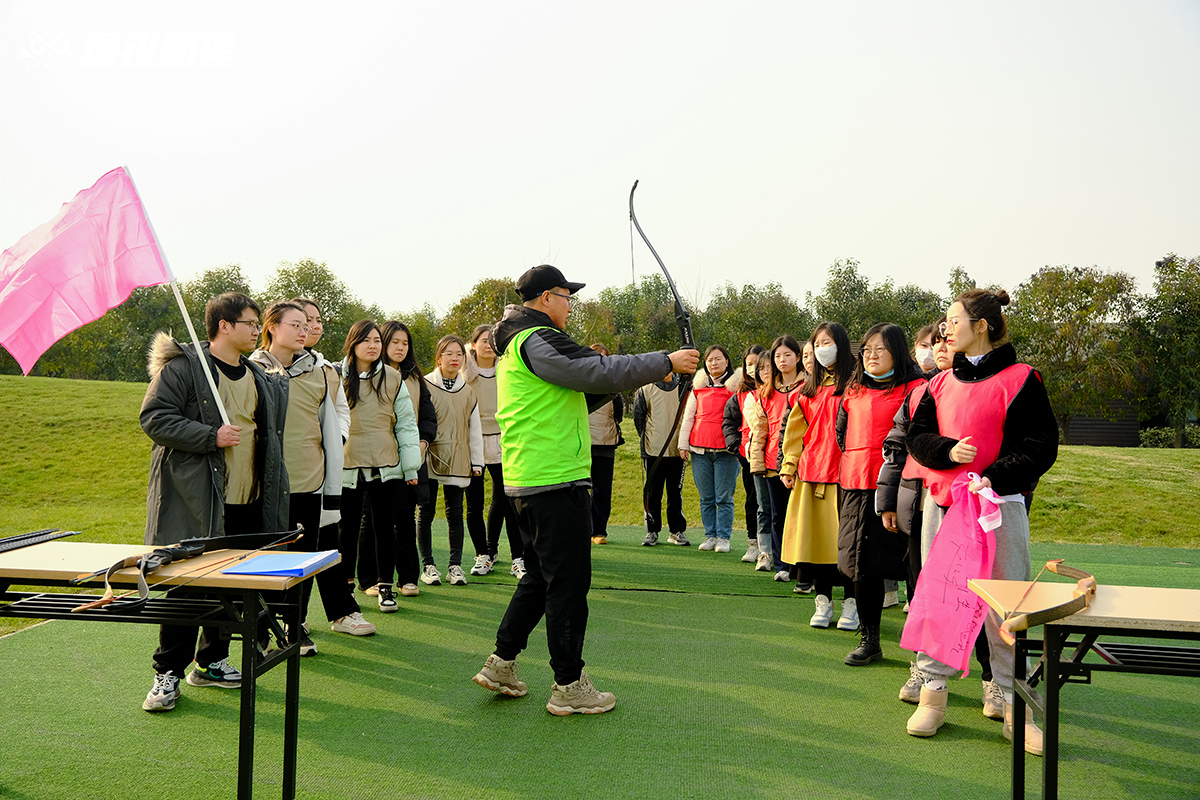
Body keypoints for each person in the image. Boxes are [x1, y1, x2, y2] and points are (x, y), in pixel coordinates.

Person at [471, 264, 698, 716]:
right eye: (566, 296)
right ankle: (569, 687)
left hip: (531, 478)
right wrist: (663, 361)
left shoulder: (518, 341)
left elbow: (576, 388)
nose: (570, 305)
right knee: (568, 586)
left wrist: (652, 373)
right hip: (553, 480)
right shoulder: (535, 337)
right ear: (545, 298)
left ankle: (501, 664)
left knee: (540, 578)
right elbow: (593, 369)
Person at [903, 289, 1058, 753]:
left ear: (983, 325)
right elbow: (917, 437)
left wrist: (991, 477)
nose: (946, 328)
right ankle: (933, 693)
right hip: (946, 506)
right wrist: (947, 452)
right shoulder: (937, 384)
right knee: (941, 596)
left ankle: (1015, 703)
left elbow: (1039, 445)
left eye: (954, 320)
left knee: (1008, 604)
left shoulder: (1022, 379)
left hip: (1000, 507)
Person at [140, 292, 289, 712]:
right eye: (249, 322)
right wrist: (210, 436)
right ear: (224, 325)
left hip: (248, 500)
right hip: (198, 500)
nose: (256, 329)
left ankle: (212, 662)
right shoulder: (185, 367)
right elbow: (153, 417)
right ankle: (166, 674)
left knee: (229, 588)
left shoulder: (259, 375)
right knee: (186, 590)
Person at [249, 301, 368, 656]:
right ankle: (259, 632)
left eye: (310, 325)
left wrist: (338, 441)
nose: (306, 331)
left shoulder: (322, 372)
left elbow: (335, 416)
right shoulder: (251, 369)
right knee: (263, 563)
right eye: (297, 324)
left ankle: (293, 627)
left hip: (309, 481)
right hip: (263, 486)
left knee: (301, 562)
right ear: (271, 326)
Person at [834, 323, 925, 666]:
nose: (871, 356)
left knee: (911, 566)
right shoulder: (852, 391)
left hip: (903, 490)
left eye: (880, 350)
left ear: (897, 352)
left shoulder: (917, 388)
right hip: (856, 486)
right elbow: (841, 435)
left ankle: (921, 651)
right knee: (859, 564)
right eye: (867, 350)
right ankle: (870, 638)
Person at [289, 298, 375, 636]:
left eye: (317, 320)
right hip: (285, 478)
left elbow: (341, 411)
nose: (312, 326)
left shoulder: (327, 369)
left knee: (326, 542)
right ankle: (291, 618)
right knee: (297, 546)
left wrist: (334, 439)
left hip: (321, 470)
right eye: (304, 320)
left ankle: (341, 612)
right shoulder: (265, 366)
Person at [338, 320, 422, 614]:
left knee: (384, 527)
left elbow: (407, 425)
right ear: (353, 344)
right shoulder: (336, 375)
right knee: (345, 529)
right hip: (346, 464)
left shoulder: (393, 378)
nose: (373, 346)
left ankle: (385, 586)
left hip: (385, 464)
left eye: (376, 340)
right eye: (366, 340)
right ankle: (345, 588)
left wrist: (411, 468)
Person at [778, 323, 856, 628]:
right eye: (818, 343)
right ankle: (823, 601)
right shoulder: (807, 392)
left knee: (847, 546)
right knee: (816, 545)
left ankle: (852, 603)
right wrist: (789, 466)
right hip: (811, 476)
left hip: (847, 478)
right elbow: (794, 434)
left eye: (829, 342)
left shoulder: (856, 386)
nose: (823, 348)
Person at [417, 335, 484, 586]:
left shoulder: (468, 392)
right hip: (429, 458)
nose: (454, 358)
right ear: (438, 358)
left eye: (459, 354)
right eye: (448, 354)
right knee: (426, 512)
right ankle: (428, 565)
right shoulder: (425, 386)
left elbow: (474, 428)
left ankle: (455, 566)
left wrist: (477, 462)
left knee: (456, 514)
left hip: (458, 459)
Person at [465, 324, 523, 575]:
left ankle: (518, 558)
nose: (487, 345)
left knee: (509, 500)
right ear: (473, 344)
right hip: (473, 442)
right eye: (482, 340)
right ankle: (483, 555)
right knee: (474, 503)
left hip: (505, 440)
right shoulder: (463, 373)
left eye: (492, 340)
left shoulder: (509, 369)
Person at [678, 345, 740, 552]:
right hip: (699, 450)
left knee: (723, 497)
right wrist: (683, 444)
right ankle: (710, 535)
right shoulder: (697, 388)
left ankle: (723, 537)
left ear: (727, 361)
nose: (713, 363)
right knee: (706, 497)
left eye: (718, 359)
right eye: (710, 360)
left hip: (726, 451)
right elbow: (688, 417)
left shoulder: (736, 387)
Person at [752, 335, 803, 581]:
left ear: (798, 357)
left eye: (787, 355)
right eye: (777, 356)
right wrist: (758, 461)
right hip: (773, 462)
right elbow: (760, 430)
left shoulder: (809, 387)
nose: (782, 360)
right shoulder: (766, 392)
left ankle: (801, 566)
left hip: (802, 463)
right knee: (777, 514)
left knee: (801, 516)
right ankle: (782, 563)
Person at [722, 345, 768, 563]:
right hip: (748, 457)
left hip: (774, 457)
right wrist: (736, 446)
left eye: (758, 362)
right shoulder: (738, 396)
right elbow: (729, 424)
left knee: (771, 504)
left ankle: (773, 546)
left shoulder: (776, 391)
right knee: (753, 501)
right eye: (749, 363)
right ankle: (753, 543)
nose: (753, 367)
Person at [633, 370, 690, 546]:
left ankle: (676, 531)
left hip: (677, 450)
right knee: (652, 492)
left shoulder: (684, 387)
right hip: (653, 450)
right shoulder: (644, 390)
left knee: (675, 493)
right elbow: (639, 419)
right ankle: (652, 531)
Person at [587, 343, 624, 548]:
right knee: (580, 490)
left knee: (602, 489)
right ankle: (584, 528)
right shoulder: (579, 382)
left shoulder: (613, 387)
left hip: (606, 443)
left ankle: (599, 530)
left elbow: (618, 415)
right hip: (582, 443)